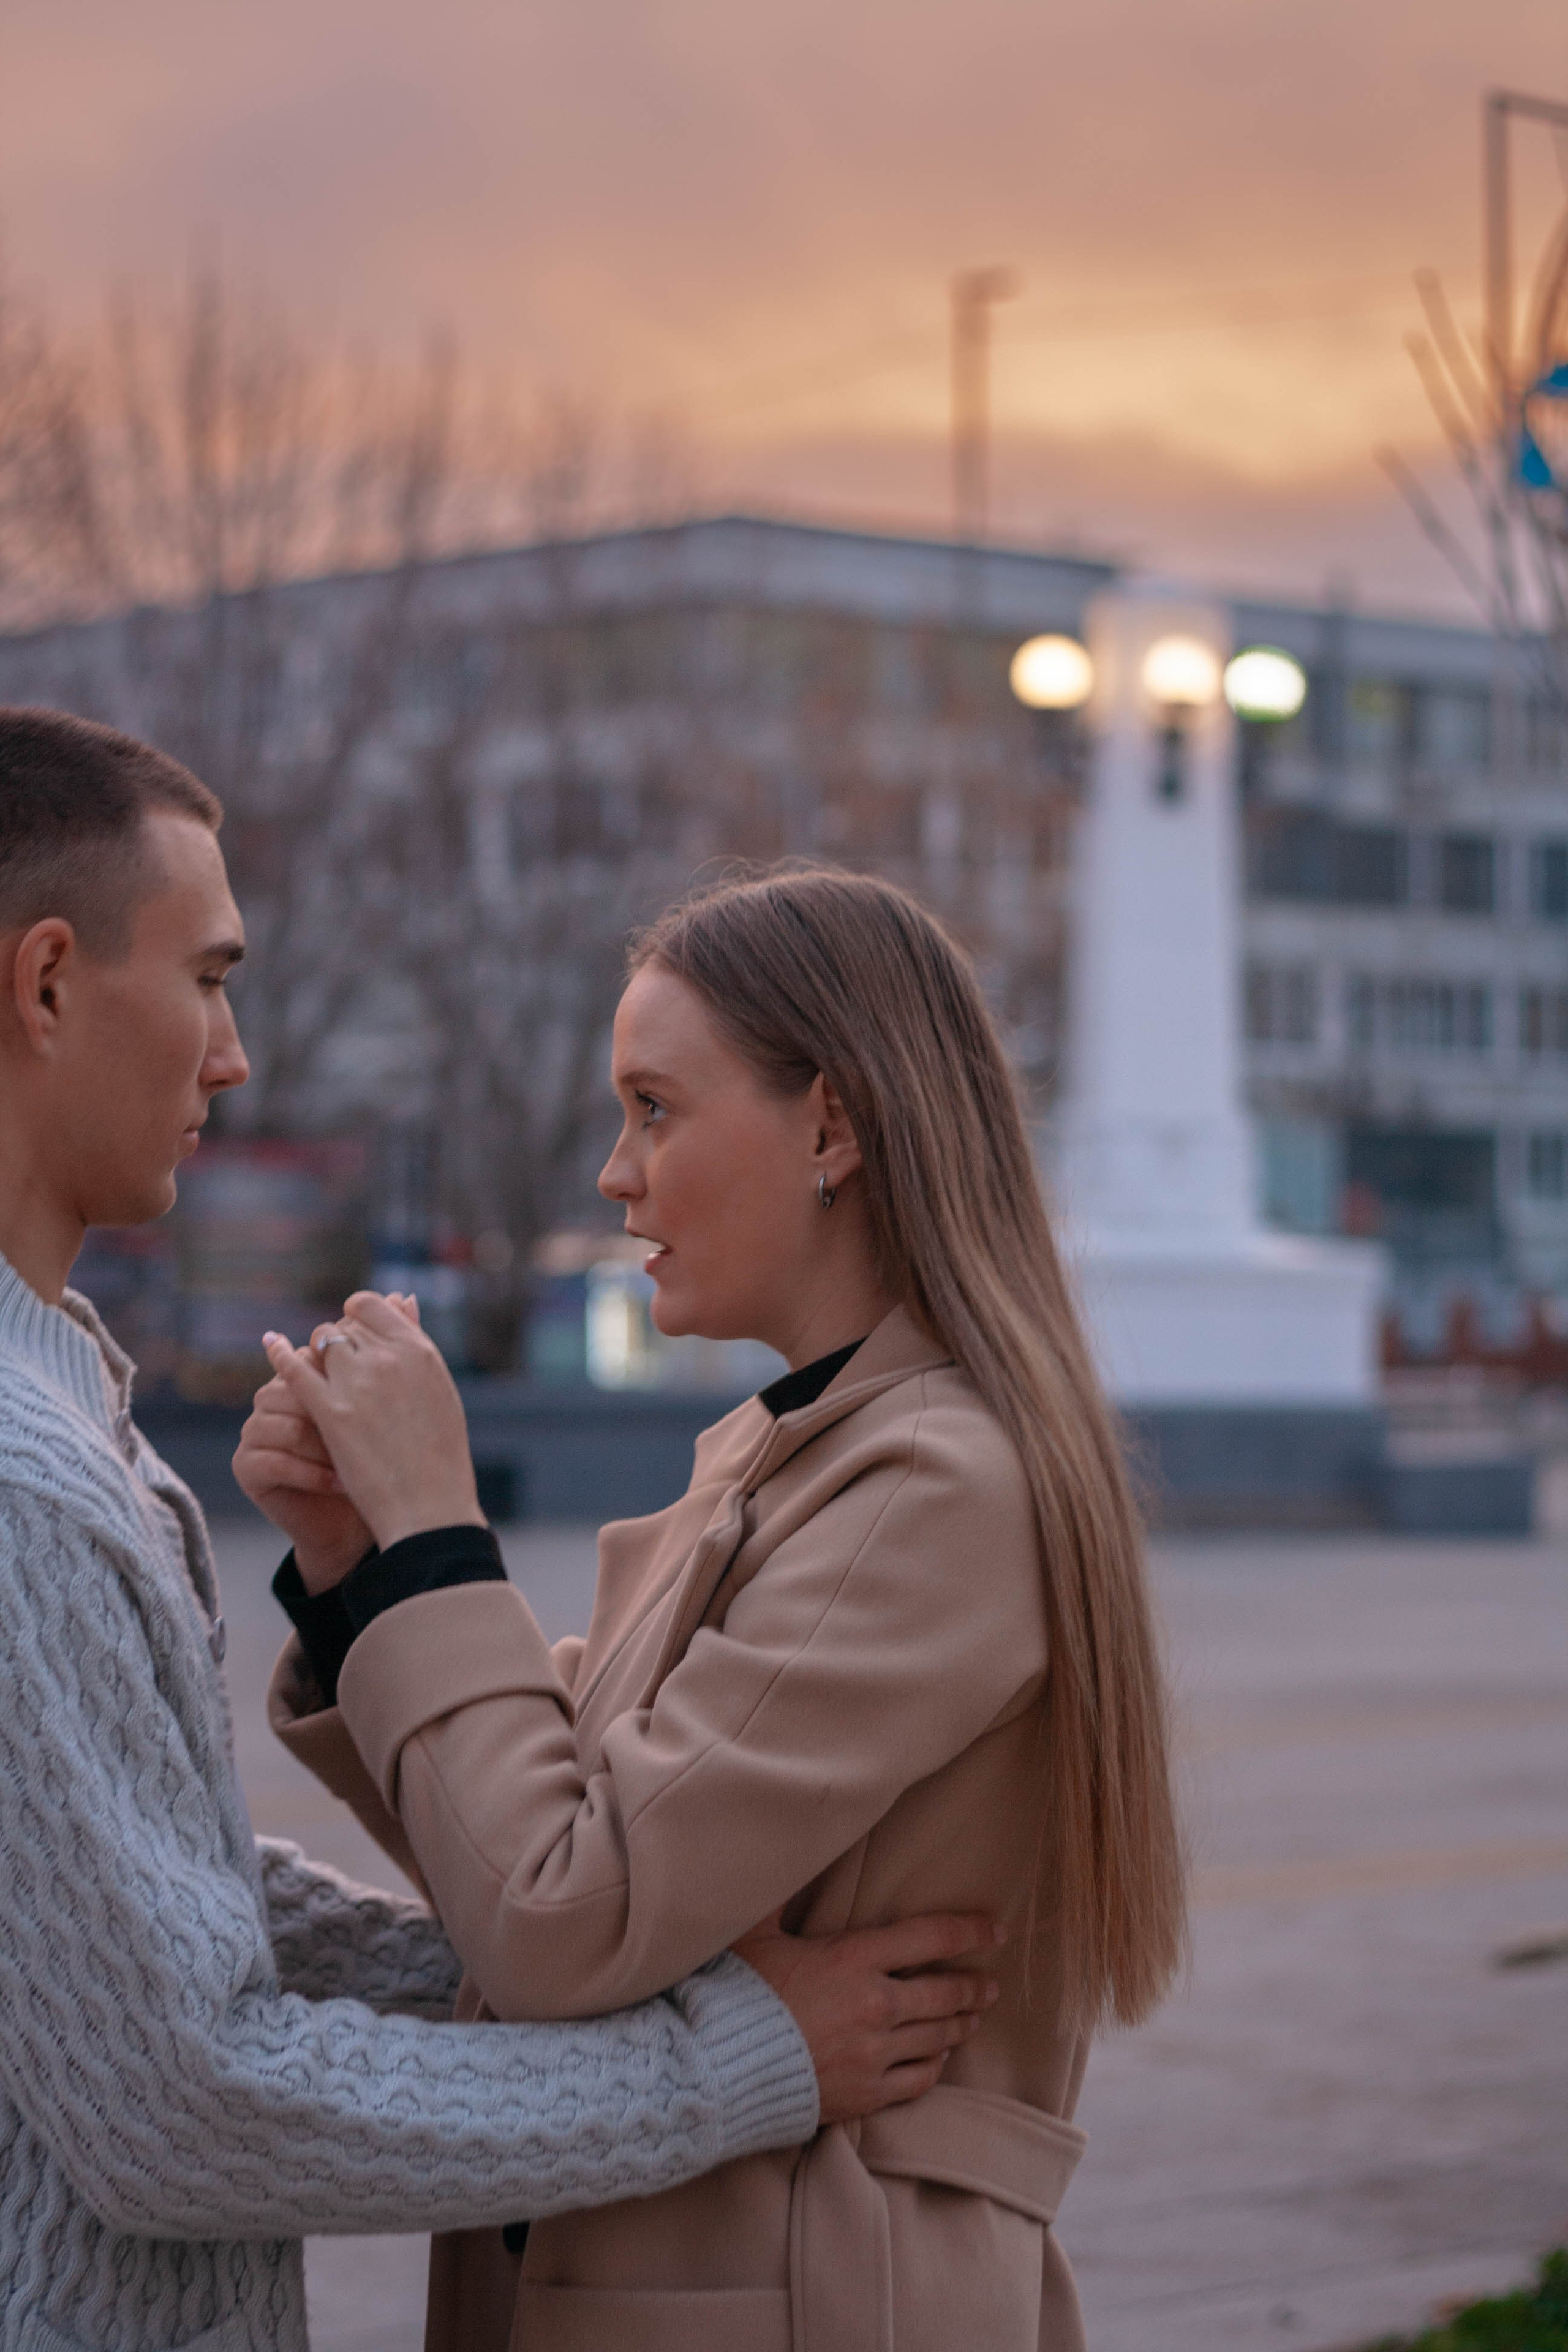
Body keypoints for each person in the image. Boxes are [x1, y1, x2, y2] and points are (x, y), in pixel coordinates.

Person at [0, 710, 1000, 2352]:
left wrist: (375, 1571)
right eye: (210, 978)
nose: (233, 1054)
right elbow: (185, 2098)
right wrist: (726, 2061)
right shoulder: (25, 1477)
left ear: (834, 1128)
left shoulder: (66, 1426)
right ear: (47, 983)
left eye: (655, 1109)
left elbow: (156, 1914)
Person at [251, 866, 1188, 2352]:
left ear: (830, 1127)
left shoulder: (928, 1484)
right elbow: (528, 1862)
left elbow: (560, 1919)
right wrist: (363, 1565)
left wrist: (433, 1530)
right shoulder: (795, 1451)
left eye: (654, 1109)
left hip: (807, 2288)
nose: (614, 1173)